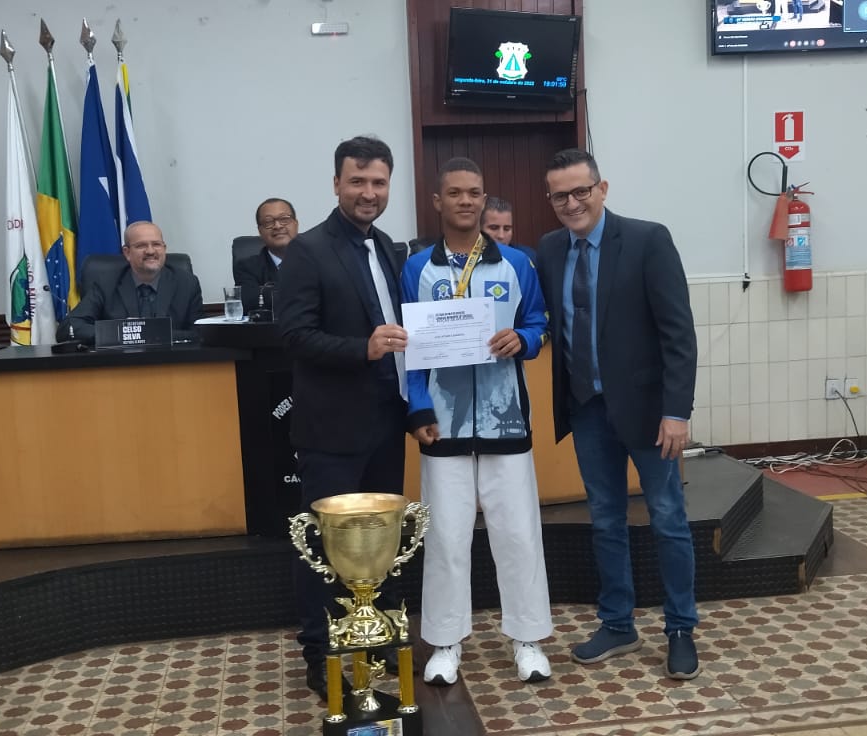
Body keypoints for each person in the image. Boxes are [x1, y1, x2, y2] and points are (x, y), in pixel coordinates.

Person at [535, 148, 701, 679]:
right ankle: (617, 624)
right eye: (560, 196)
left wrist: (676, 411)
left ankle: (680, 628)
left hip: (650, 413)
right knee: (605, 519)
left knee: (668, 518)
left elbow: (678, 334)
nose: (572, 203)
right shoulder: (549, 249)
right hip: (586, 410)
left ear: (602, 189)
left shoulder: (649, 240)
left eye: (581, 191)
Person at [402, 158, 553, 686]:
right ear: (437, 201)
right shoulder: (416, 268)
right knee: (445, 537)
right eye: (455, 193)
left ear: (484, 200)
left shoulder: (516, 263)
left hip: (504, 417)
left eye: (474, 193)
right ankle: (445, 642)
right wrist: (418, 408)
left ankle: (527, 638)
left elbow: (539, 322)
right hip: (442, 423)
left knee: (518, 533)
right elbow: (410, 348)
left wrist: (524, 339)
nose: (466, 201)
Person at [276, 135, 409, 699]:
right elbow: (293, 335)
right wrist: (363, 348)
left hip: (386, 424)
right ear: (336, 184)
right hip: (332, 431)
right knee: (324, 549)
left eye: (378, 182)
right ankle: (320, 652)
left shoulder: (389, 248)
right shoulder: (307, 250)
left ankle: (374, 640)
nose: (368, 192)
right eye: (357, 181)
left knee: (380, 544)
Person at [56, 221, 204, 343]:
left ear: (164, 248)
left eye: (156, 244)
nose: (150, 251)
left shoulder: (187, 283)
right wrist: (121, 333)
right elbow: (69, 327)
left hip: (172, 364)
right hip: (120, 365)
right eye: (141, 246)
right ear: (127, 253)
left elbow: (200, 332)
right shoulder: (106, 284)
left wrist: (151, 333)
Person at [234, 197, 298, 295]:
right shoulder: (247, 268)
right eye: (268, 222)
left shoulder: (315, 260)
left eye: (284, 219)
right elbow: (250, 300)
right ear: (260, 231)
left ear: (296, 224)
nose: (277, 226)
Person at [479, 196, 537, 262]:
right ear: (479, 228)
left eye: (507, 229)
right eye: (494, 228)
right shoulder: (470, 258)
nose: (501, 236)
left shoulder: (527, 257)